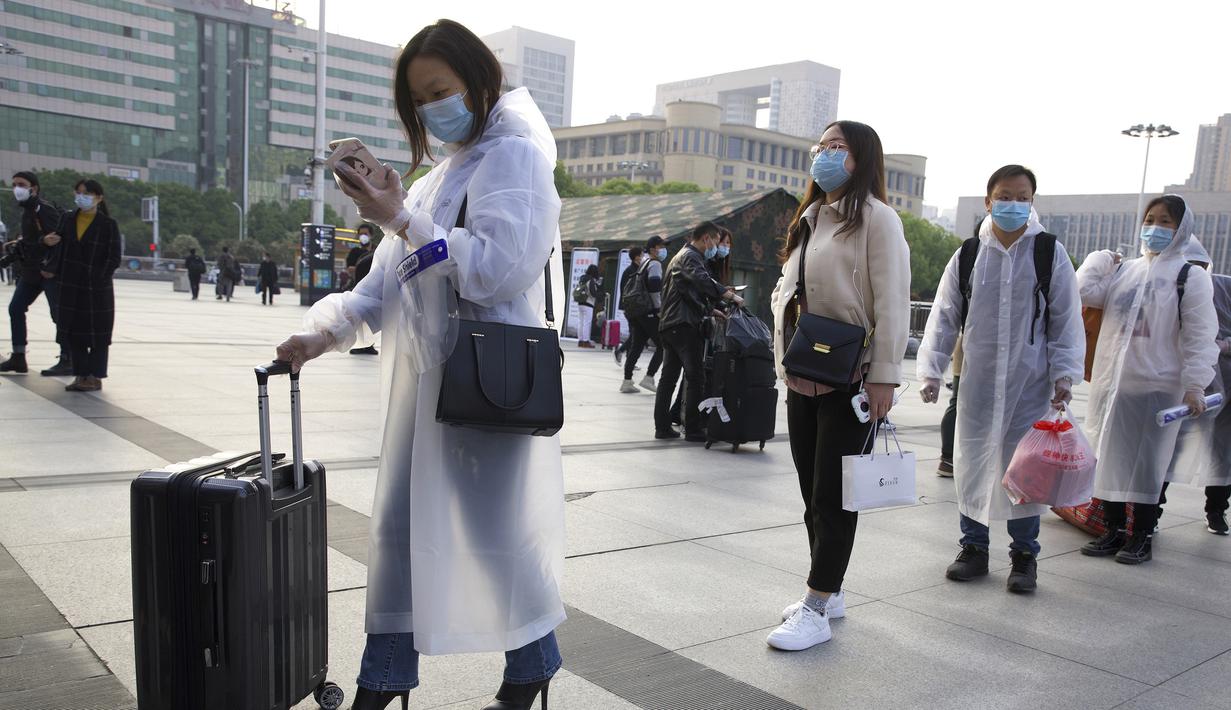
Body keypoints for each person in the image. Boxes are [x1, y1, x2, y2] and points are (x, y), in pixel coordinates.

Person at [274, 19, 564, 710]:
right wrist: (324, 332)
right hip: (424, 385)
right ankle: (386, 683)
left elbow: (497, 272)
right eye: (419, 99)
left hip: (485, 381)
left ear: (479, 80)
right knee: (400, 532)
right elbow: (384, 284)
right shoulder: (439, 177)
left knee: (496, 536)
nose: (433, 109)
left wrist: (402, 218)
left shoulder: (515, 158)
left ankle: (529, 666)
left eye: (442, 90)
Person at [766, 120, 910, 651]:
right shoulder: (811, 217)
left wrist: (884, 377)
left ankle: (816, 605)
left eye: (837, 147)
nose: (824, 154)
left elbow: (893, 300)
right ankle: (831, 587)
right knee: (811, 494)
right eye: (821, 146)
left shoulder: (878, 220)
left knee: (834, 497)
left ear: (862, 158)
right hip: (803, 372)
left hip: (850, 376)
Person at [918, 165, 1085, 594]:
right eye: (1005, 195)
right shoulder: (970, 254)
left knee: (1023, 471)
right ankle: (973, 548)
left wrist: (1065, 373)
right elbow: (944, 315)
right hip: (978, 383)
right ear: (988, 201)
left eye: (1022, 196)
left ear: (1033, 201)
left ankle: (1024, 557)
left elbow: (1066, 319)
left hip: (1031, 385)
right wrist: (932, 369)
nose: (1013, 203)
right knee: (973, 463)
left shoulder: (1050, 252)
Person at [1077, 194, 1219, 564]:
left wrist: (1195, 385)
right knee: (1108, 456)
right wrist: (1100, 260)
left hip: (1159, 389)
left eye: (1165, 221)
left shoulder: (1191, 277)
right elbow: (1082, 291)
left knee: (1148, 464)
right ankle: (1112, 529)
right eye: (1150, 219)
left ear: (1181, 228)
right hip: (1114, 386)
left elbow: (1200, 335)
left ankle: (1141, 534)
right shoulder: (1127, 271)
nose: (1155, 227)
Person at [655, 222, 739, 441]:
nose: (716, 246)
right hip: (684, 326)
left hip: (671, 324)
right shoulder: (691, 257)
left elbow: (687, 293)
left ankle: (662, 427)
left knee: (668, 379)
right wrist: (728, 295)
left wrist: (711, 309)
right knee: (696, 377)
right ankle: (692, 429)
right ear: (706, 239)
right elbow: (702, 281)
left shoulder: (679, 257)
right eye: (715, 240)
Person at [41, 179, 121, 392]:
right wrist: (46, 243)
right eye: (78, 192)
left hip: (97, 288)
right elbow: (55, 247)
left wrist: (99, 277)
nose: (81, 197)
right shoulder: (67, 218)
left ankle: (94, 376)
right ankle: (80, 374)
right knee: (73, 332)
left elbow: (114, 258)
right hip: (69, 285)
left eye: (86, 193)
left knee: (97, 334)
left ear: (99, 198)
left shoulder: (108, 225)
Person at [2, 170, 71, 376]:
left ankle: (68, 357)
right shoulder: (27, 211)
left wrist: (50, 265)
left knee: (58, 315)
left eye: (21, 184)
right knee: (15, 308)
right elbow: (32, 242)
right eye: (14, 185)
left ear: (34, 188)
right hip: (32, 272)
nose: (17, 189)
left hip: (49, 272)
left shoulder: (44, 209)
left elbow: (58, 239)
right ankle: (18, 356)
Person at [618, 242, 666, 393]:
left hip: (637, 310)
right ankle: (649, 378)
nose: (664, 250)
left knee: (637, 345)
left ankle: (627, 381)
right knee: (663, 345)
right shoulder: (655, 264)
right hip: (649, 310)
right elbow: (654, 287)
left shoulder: (644, 262)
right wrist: (658, 309)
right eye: (661, 247)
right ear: (653, 249)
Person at [575, 264, 602, 348]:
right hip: (588, 303)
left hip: (580, 302)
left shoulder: (582, 278)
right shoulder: (591, 280)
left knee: (581, 322)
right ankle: (586, 341)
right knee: (587, 323)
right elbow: (593, 293)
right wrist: (600, 294)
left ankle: (580, 341)